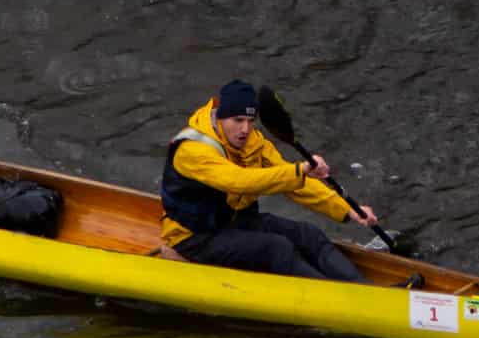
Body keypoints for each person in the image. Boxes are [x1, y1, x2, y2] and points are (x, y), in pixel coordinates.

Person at [159, 80, 376, 281]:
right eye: (238, 120)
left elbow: (294, 182)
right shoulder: (193, 150)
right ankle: (336, 299)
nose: (245, 129)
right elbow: (240, 181)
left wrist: (347, 209)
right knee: (276, 248)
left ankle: (367, 292)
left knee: (309, 235)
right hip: (195, 237)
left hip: (234, 222)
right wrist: (300, 170)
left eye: (250, 121)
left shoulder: (254, 143)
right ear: (220, 117)